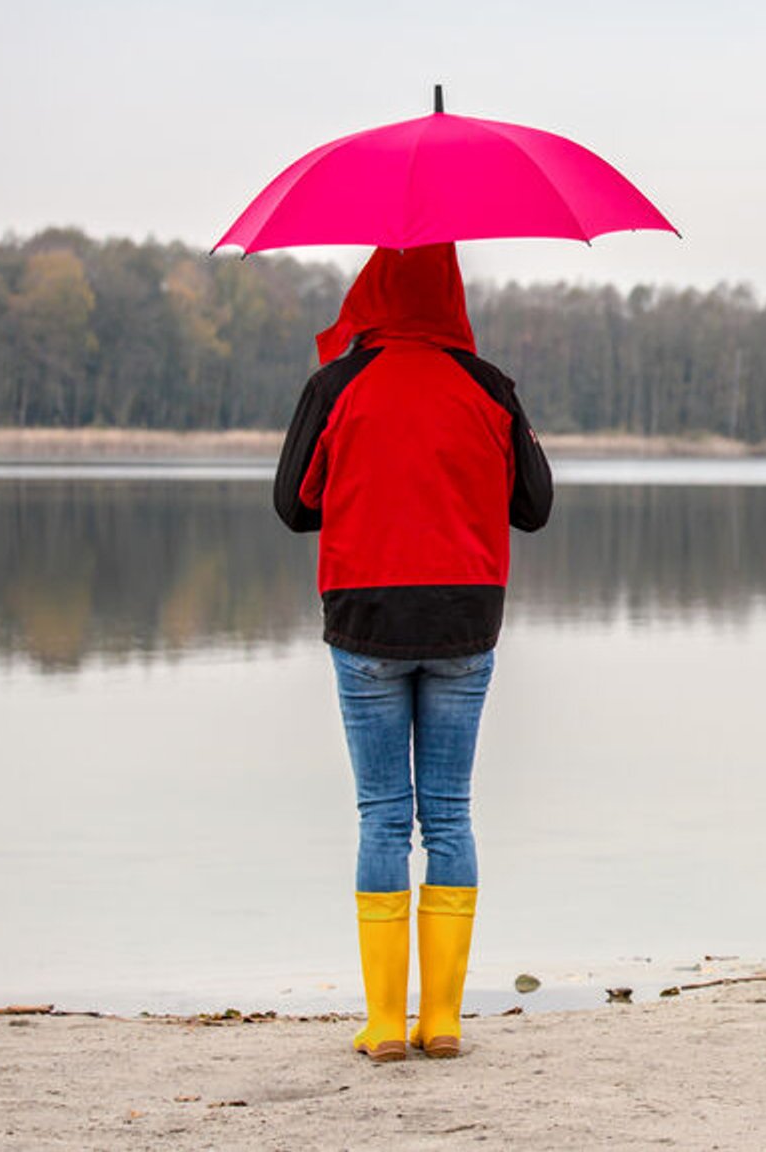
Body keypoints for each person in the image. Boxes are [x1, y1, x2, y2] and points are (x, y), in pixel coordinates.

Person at [274, 243, 553, 1062]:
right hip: (466, 617)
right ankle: (444, 1021)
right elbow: (533, 508)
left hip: (365, 614)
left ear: (373, 289)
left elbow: (293, 506)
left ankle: (386, 1024)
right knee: (451, 812)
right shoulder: (487, 385)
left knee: (382, 815)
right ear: (451, 291)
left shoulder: (336, 386)